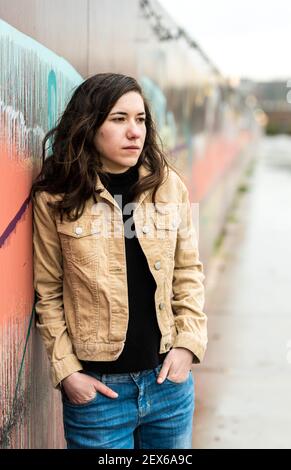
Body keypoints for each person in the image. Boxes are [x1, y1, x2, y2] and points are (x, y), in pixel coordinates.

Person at [31, 72, 208, 449]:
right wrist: (68, 373)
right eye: (119, 119)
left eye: (140, 119)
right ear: (89, 124)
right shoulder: (56, 197)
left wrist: (188, 344)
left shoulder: (168, 185)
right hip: (99, 397)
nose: (134, 132)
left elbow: (188, 270)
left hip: (168, 385)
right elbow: (47, 290)